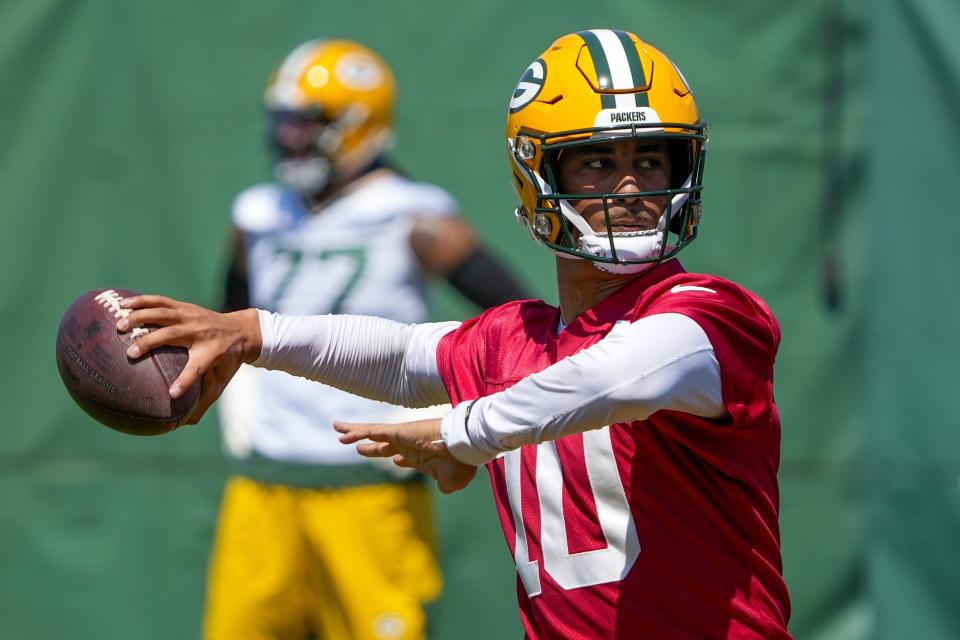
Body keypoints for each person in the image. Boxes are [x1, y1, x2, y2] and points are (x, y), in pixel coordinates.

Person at [118, 29, 792, 639]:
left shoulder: (709, 311)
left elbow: (613, 375)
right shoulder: (512, 340)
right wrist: (251, 332)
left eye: (652, 161)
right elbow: (400, 353)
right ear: (539, 176)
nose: (629, 187)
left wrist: (458, 432)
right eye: (594, 162)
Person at [205, 39, 528, 640]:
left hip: (371, 482)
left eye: (308, 125)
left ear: (359, 126)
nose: (289, 139)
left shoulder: (413, 214)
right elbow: (224, 324)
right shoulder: (257, 215)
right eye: (284, 123)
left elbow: (515, 320)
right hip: (265, 478)